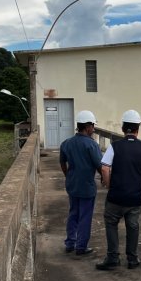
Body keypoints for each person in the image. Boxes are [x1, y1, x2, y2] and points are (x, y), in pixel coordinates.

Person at [96, 109, 141, 271]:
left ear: (123, 128)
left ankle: (112, 258)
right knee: (133, 226)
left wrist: (109, 185)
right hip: (135, 198)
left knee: (111, 224)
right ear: (138, 128)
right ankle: (132, 258)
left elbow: (104, 168)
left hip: (116, 196)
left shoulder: (114, 146)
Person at [59, 110, 102, 256]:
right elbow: (100, 165)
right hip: (87, 187)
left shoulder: (66, 143)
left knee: (73, 213)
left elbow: (62, 162)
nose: (94, 129)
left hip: (72, 185)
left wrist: (68, 176)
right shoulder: (92, 145)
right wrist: (105, 178)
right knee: (85, 216)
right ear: (87, 126)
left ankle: (70, 242)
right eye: (93, 126)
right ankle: (81, 246)